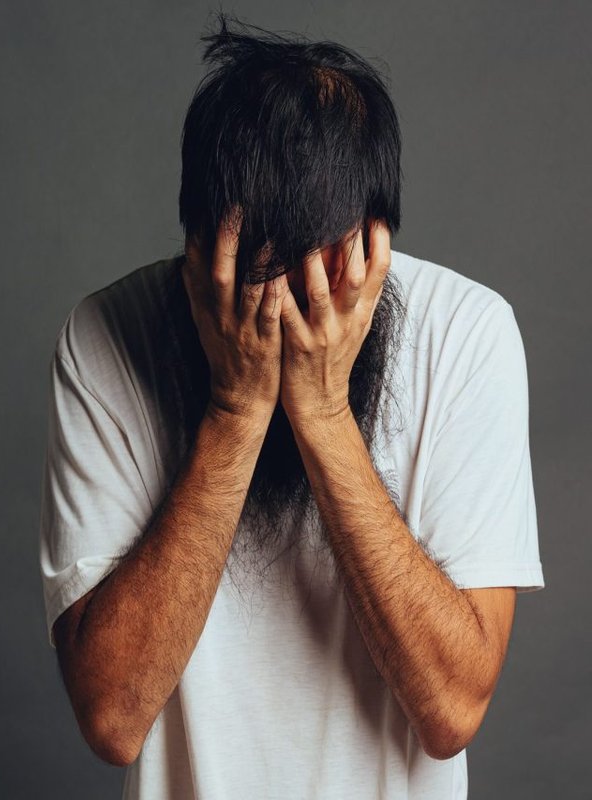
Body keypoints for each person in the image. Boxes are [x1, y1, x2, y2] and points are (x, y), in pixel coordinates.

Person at [38, 13, 545, 800]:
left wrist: (325, 414)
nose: (275, 312)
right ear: (196, 243)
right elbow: (111, 719)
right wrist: (236, 413)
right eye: (245, 273)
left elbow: (451, 710)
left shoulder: (470, 334)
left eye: (310, 279)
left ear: (369, 244)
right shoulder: (103, 336)